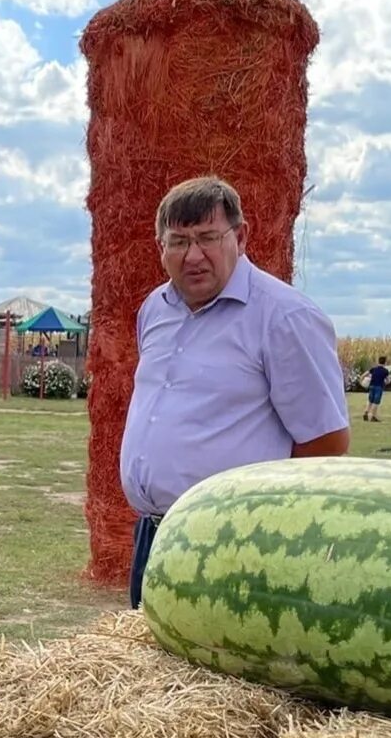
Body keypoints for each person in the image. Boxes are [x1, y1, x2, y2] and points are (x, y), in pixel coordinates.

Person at [120, 175, 351, 607]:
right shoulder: (154, 310)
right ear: (160, 247)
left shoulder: (285, 318)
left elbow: (327, 441)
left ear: (240, 236)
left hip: (231, 544)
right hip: (152, 534)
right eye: (179, 241)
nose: (194, 255)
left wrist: (254, 521)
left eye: (208, 237)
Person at [361, 355, 390, 422]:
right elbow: (388, 380)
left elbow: (364, 375)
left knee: (370, 400)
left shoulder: (373, 369)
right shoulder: (385, 371)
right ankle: (373, 417)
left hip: (371, 386)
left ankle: (366, 412)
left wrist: (361, 381)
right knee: (376, 402)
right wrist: (385, 382)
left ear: (378, 361)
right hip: (379, 387)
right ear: (385, 362)